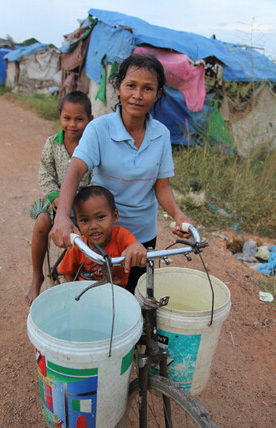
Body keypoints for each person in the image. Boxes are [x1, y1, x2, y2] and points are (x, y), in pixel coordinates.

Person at [50, 53, 192, 293]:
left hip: (141, 236)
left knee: (134, 300)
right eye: (131, 86)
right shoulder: (99, 128)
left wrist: (178, 215)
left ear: (157, 94)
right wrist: (63, 216)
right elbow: (74, 171)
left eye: (147, 89)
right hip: (100, 233)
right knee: (92, 294)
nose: (137, 95)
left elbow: (162, 186)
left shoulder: (162, 134)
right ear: (118, 87)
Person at [26, 91, 93, 305]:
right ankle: (37, 275)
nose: (72, 124)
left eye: (79, 119)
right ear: (60, 116)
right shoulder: (52, 143)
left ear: (90, 120)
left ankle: (81, 275)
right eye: (67, 118)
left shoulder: (92, 144)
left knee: (93, 228)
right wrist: (55, 196)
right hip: (55, 200)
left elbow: (97, 176)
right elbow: (45, 173)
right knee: (42, 222)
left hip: (85, 201)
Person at [59, 185, 146, 287]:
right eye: (85, 220)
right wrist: (73, 290)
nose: (93, 226)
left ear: (115, 216)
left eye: (100, 217)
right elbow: (68, 272)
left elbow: (137, 251)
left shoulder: (122, 237)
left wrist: (138, 247)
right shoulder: (78, 247)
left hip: (117, 295)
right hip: (86, 295)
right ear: (77, 223)